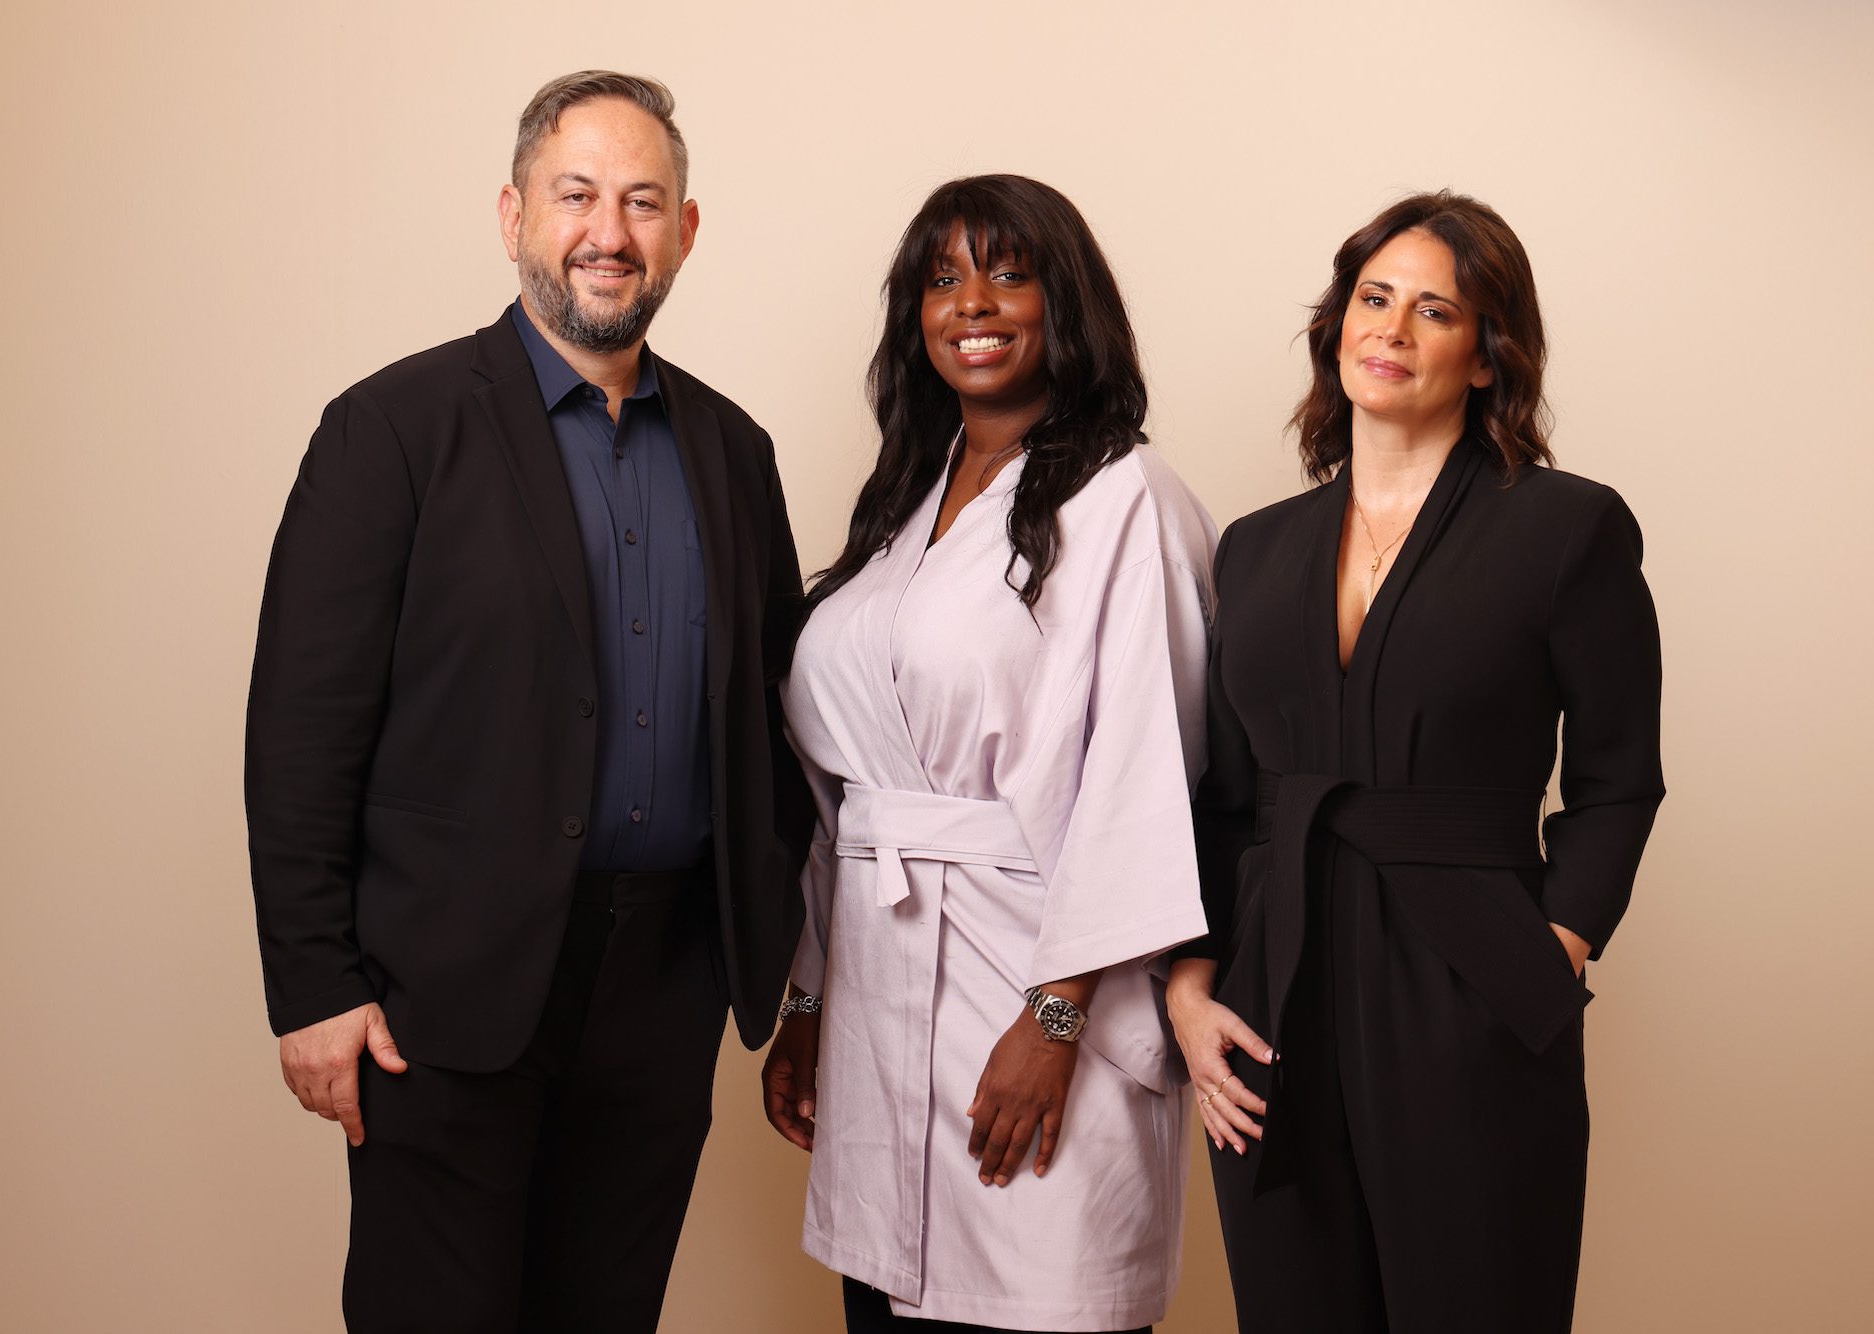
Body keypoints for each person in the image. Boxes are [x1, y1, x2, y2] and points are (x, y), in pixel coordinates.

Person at [244, 70, 811, 1332]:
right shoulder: (391, 429)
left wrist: (770, 954)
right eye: (576, 194)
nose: (608, 232)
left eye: (643, 201)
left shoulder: (735, 450)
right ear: (513, 216)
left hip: (662, 984)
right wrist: (313, 982)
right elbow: (300, 731)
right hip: (439, 987)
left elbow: (772, 726)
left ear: (686, 229)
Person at [1165, 191, 1664, 1333]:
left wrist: (1550, 949)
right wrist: (1190, 990)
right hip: (1269, 1001)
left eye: (1432, 310)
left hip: (1471, 982)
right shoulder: (1254, 547)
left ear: (1486, 354)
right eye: (1371, 298)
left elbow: (1615, 778)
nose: (1387, 329)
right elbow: (1224, 801)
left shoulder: (1565, 528)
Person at [759, 174, 1215, 1333]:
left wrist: (1053, 1019)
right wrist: (807, 996)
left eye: (1009, 272)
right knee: (886, 1302)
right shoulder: (905, 502)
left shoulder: (1126, 499)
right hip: (878, 993)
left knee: (1032, 1291)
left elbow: (1143, 783)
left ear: (1065, 303)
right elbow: (845, 800)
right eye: (943, 276)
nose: (974, 301)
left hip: (1034, 985)